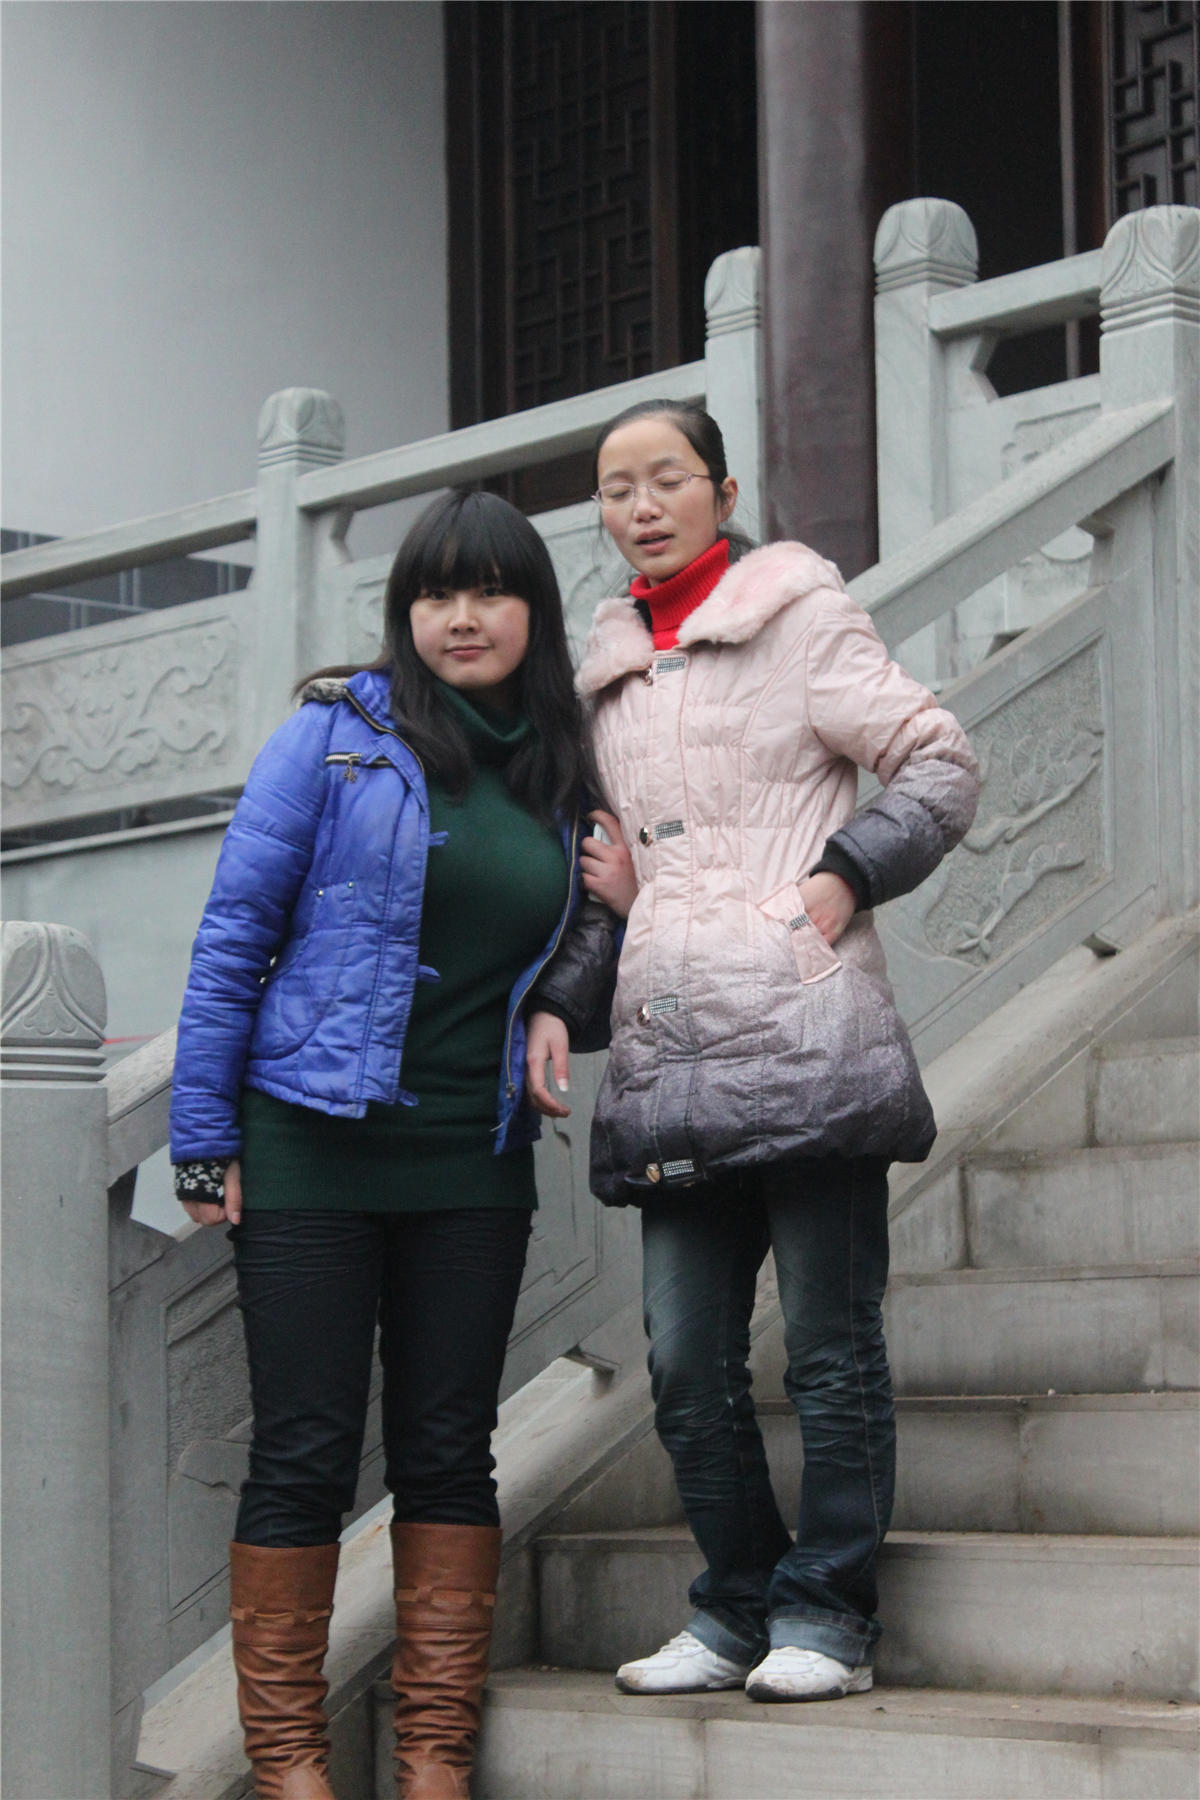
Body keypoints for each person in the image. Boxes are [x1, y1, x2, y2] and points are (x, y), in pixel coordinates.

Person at [525, 400, 979, 1704]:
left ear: (722, 493)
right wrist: (566, 988)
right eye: (618, 488)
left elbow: (938, 762)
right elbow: (609, 876)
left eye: (668, 478)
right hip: (673, 1055)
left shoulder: (802, 618)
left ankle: (827, 1615)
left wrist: (842, 879)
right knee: (683, 1361)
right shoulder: (602, 676)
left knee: (830, 1348)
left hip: (806, 1033)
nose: (643, 505)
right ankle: (733, 1608)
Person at [169, 489, 617, 1800]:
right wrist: (201, 1138)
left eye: (488, 591)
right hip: (309, 1144)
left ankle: (432, 1760)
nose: (460, 617)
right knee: (304, 1450)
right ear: (403, 612)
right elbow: (234, 937)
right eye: (434, 593)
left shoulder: (563, 764)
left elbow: (594, 926)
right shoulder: (333, 737)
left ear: (532, 610)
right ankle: (289, 1767)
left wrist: (566, 990)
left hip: (472, 1157)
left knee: (448, 1449)